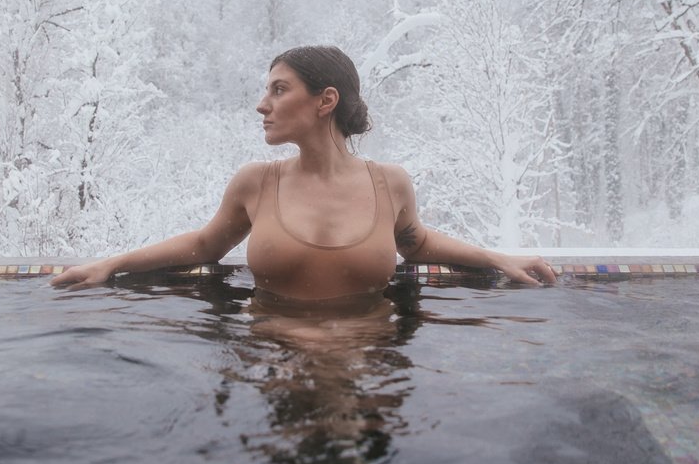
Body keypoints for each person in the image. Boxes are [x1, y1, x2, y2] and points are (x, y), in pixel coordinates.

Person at [50, 45, 557, 299]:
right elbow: (204, 246)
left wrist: (497, 258)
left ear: (325, 101)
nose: (261, 105)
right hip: (274, 365)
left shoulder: (390, 184)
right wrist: (111, 264)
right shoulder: (257, 182)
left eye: (278, 89)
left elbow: (418, 244)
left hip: (370, 369)